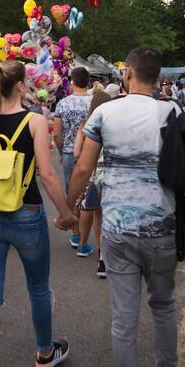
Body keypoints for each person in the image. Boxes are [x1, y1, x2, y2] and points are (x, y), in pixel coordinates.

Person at [68, 46, 185, 367]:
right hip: (162, 227)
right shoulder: (174, 114)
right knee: (163, 306)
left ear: (128, 73)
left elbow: (83, 168)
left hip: (117, 230)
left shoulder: (105, 113)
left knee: (124, 319)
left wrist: (68, 207)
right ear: (159, 78)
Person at [0, 61, 75, 367]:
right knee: (39, 288)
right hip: (27, 213)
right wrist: (66, 213)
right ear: (19, 86)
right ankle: (45, 352)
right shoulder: (35, 121)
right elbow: (47, 174)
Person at [51, 66, 93, 255]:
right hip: (92, 152)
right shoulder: (95, 103)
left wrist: (61, 152)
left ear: (72, 82)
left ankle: (76, 234)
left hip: (69, 152)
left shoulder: (63, 104)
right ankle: (85, 238)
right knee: (91, 194)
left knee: (73, 192)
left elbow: (57, 133)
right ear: (89, 82)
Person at [73, 88, 114, 277]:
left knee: (96, 213)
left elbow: (76, 153)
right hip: (111, 175)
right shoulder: (114, 124)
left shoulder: (85, 126)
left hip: (92, 175)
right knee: (109, 216)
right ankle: (107, 257)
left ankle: (100, 258)